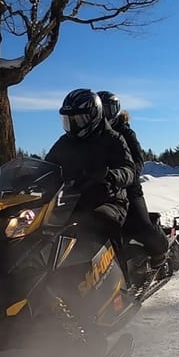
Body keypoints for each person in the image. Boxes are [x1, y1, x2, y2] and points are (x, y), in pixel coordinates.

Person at [45, 89, 136, 262]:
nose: (74, 125)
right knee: (46, 228)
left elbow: (128, 169)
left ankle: (122, 279)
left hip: (110, 198)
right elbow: (49, 166)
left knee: (101, 221)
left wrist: (111, 176)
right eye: (69, 120)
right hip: (73, 201)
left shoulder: (112, 138)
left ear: (94, 116)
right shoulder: (64, 143)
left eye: (79, 119)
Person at [98, 91, 170, 284]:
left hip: (129, 189)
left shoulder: (125, 132)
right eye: (101, 109)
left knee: (141, 226)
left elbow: (137, 162)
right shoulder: (92, 134)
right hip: (101, 191)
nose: (105, 114)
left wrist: (120, 175)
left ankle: (160, 251)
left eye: (108, 109)